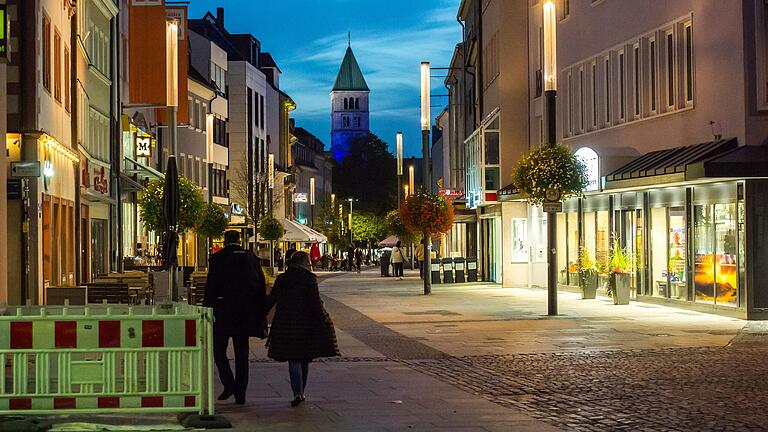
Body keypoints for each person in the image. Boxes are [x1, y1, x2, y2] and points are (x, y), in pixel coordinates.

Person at [265, 251, 340, 407]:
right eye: (308, 262)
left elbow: (271, 300)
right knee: (304, 358)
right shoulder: (309, 278)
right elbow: (315, 302)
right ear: (304, 263)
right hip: (306, 323)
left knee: (293, 358)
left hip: (285, 322)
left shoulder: (282, 278)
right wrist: (323, 318)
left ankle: (297, 392)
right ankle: (301, 392)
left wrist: (259, 314)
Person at [204, 230, 267, 405]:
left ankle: (229, 383)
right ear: (239, 240)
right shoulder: (251, 258)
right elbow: (260, 285)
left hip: (223, 312)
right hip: (245, 313)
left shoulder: (218, 258)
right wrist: (260, 311)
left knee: (218, 350)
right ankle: (241, 393)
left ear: (225, 241)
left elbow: (211, 286)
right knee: (242, 354)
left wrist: (207, 309)